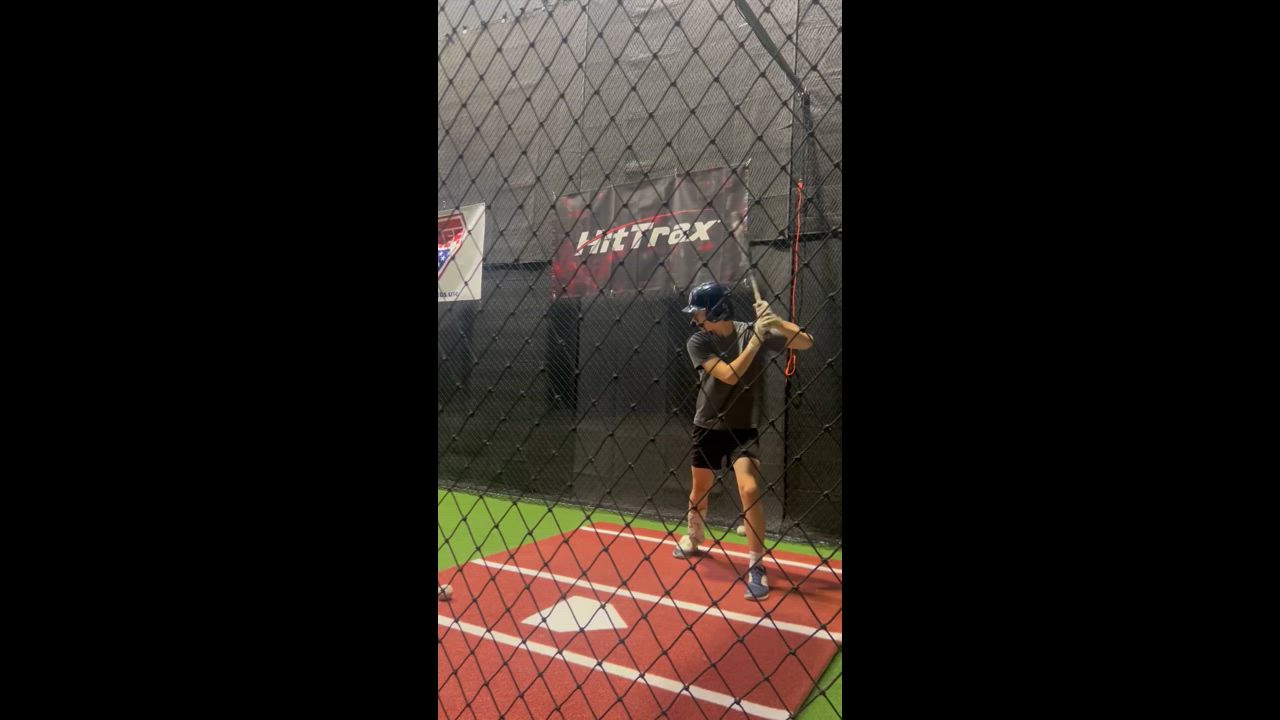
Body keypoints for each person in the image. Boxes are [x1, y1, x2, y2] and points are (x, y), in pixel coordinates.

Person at [676, 280, 814, 600]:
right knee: (700, 490)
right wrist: (757, 340)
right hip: (707, 426)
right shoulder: (699, 340)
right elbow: (729, 374)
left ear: (715, 310)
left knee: (749, 489)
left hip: (743, 428)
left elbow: (806, 342)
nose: (694, 318)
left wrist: (775, 322)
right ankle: (694, 537)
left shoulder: (751, 331)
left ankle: (756, 565)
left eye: (698, 312)